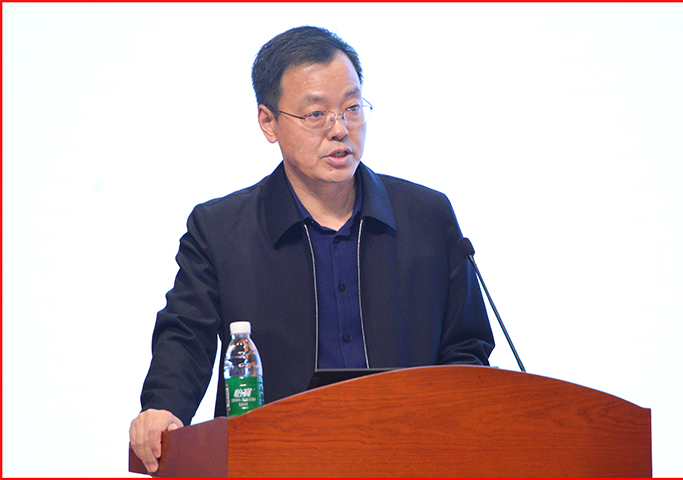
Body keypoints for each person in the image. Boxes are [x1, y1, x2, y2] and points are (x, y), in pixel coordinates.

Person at [129, 25, 494, 473]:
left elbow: (466, 347)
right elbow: (186, 335)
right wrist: (164, 406)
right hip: (271, 463)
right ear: (268, 122)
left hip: (410, 459)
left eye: (352, 108)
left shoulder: (427, 216)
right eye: (316, 114)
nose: (340, 129)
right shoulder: (220, 230)